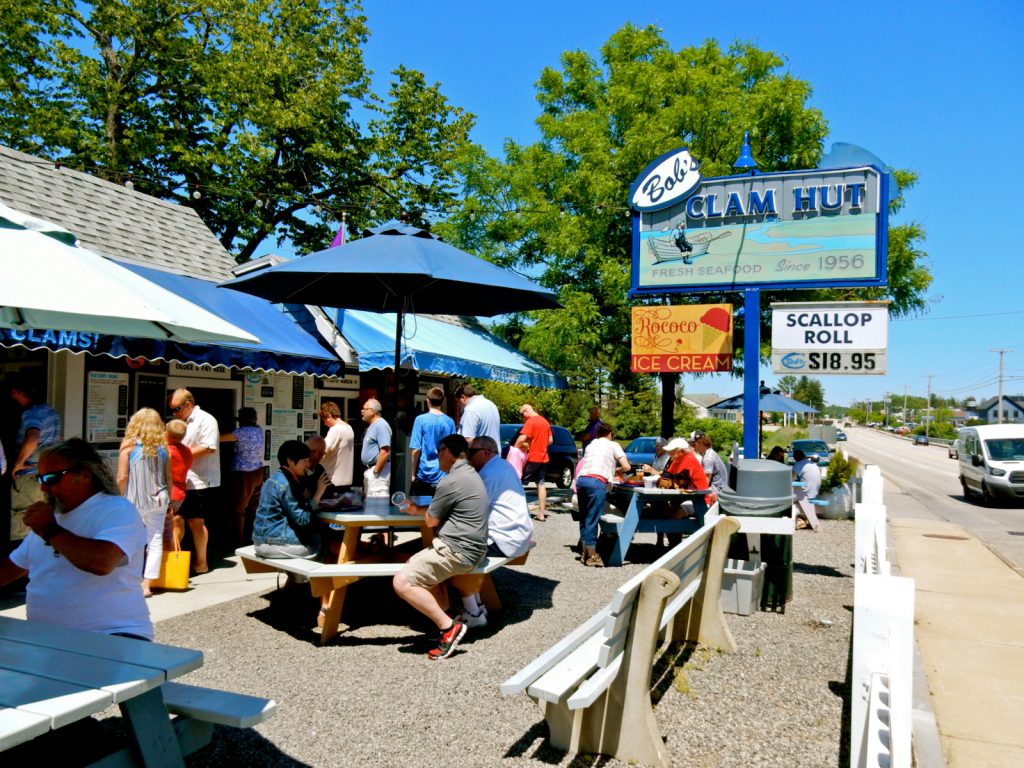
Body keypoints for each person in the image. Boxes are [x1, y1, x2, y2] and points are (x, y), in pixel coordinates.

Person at [0, 438, 152, 639]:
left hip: (112, 635)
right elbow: (9, 569)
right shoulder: (52, 518)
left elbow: (101, 562)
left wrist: (50, 530)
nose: (44, 488)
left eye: (52, 478)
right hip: (51, 640)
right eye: (40, 478)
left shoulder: (116, 509)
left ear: (84, 474)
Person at [393, 434, 488, 660]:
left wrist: (418, 512)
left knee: (402, 581)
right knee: (414, 562)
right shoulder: (471, 474)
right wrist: (417, 510)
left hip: (458, 551)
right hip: (474, 548)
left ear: (447, 452)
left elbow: (431, 522)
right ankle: (448, 616)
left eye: (438, 453)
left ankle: (448, 628)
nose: (437, 459)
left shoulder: (450, 481)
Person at [449, 436, 535, 626]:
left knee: (453, 553)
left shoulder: (489, 474)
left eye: (471, 453)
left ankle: (473, 613)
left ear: (487, 452)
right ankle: (477, 605)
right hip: (517, 536)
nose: (468, 458)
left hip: (505, 539)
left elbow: (471, 510)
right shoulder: (502, 467)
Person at [117, 408, 173, 597]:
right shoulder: (164, 448)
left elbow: (122, 477)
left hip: (134, 500)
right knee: (155, 541)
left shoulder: (129, 446)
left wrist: (118, 498)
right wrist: (170, 501)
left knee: (133, 540)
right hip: (159, 499)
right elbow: (168, 477)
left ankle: (130, 580)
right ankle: (147, 584)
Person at [169, 389, 220, 574]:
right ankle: (175, 562)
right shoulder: (178, 421)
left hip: (199, 479)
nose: (174, 413)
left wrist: (178, 455)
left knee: (196, 522)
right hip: (180, 480)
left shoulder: (206, 419)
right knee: (176, 519)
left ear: (188, 404)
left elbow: (208, 447)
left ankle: (201, 563)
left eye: (176, 409)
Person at [8, 374, 62, 544]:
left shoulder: (31, 414)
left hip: (30, 475)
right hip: (46, 474)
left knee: (25, 519)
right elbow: (59, 439)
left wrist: (18, 464)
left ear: (17, 392)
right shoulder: (49, 410)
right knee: (44, 517)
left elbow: (33, 437)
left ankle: (23, 566)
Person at [252, 440, 322, 559]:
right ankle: (305, 578)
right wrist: (318, 494)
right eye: (304, 460)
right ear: (290, 461)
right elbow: (302, 519)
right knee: (320, 542)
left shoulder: (275, 478)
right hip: (276, 544)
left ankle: (295, 578)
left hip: (261, 540)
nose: (308, 465)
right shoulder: (286, 484)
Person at [573, 424, 631, 567]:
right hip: (596, 482)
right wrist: (619, 469)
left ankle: (585, 551)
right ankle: (592, 555)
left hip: (581, 480)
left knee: (585, 516)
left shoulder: (591, 445)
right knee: (593, 517)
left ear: (598, 434)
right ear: (610, 433)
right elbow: (627, 467)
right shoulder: (613, 445)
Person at [220, 407, 265, 546]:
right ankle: (252, 537)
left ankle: (237, 539)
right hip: (258, 471)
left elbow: (220, 439)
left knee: (239, 508)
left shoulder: (241, 432)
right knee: (253, 506)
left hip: (244, 473)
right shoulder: (259, 430)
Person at [409, 386, 456, 495]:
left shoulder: (420, 420)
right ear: (443, 401)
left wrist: (412, 473)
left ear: (427, 401)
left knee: (421, 508)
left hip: (425, 473)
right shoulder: (450, 422)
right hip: (444, 473)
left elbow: (416, 450)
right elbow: (454, 449)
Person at [516, 403, 553, 522]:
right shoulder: (545, 422)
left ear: (526, 410)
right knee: (541, 485)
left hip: (533, 458)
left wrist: (515, 449)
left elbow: (521, 439)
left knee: (518, 483)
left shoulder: (531, 422)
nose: (523, 418)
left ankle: (517, 513)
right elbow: (550, 441)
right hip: (544, 458)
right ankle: (541, 514)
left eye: (523, 415)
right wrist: (539, 444)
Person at [319, 402, 354, 493]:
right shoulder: (349, 428)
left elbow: (323, 451)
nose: (324, 424)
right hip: (346, 481)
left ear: (329, 416)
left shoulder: (335, 429)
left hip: (332, 482)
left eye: (324, 420)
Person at [360, 398, 392, 497]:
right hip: (372, 471)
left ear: (372, 411)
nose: (362, 411)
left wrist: (376, 472)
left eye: (364, 409)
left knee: (377, 507)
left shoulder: (381, 425)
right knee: (370, 506)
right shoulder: (373, 426)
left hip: (378, 473)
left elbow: (385, 451)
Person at [792, 449, 822, 531]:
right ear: (804, 456)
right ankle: (801, 519)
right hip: (815, 491)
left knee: (789, 494)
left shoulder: (799, 464)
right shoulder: (812, 464)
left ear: (795, 459)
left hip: (806, 492)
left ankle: (795, 519)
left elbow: (791, 478)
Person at [302, 435, 331, 505]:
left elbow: (330, 492)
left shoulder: (319, 469)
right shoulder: (296, 472)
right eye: (313, 451)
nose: (316, 456)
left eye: (320, 453)